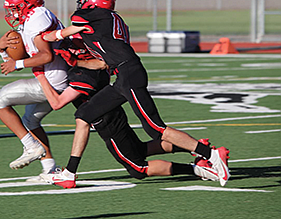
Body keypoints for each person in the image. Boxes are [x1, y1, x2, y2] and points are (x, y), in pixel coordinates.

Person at [43, 0, 230, 188]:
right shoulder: (112, 21)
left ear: (93, 2)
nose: (81, 5)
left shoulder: (93, 16)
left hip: (128, 74)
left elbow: (62, 33)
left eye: (85, 1)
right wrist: (74, 60)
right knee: (84, 115)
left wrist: (41, 38)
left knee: (156, 128)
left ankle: (211, 154)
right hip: (123, 75)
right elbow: (103, 62)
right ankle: (69, 173)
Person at [32, 46, 219, 188]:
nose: (66, 52)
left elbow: (57, 103)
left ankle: (201, 169)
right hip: (111, 113)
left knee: (137, 169)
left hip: (106, 121)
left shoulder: (84, 74)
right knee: (139, 149)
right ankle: (197, 148)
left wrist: (40, 74)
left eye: (71, 49)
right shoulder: (90, 65)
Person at [0, 0, 68, 176]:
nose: (12, 13)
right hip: (57, 79)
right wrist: (2, 51)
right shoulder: (31, 19)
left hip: (53, 80)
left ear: (28, 4)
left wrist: (15, 64)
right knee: (30, 121)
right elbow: (26, 56)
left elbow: (45, 56)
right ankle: (49, 169)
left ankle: (30, 147)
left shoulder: (37, 18)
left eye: (15, 8)